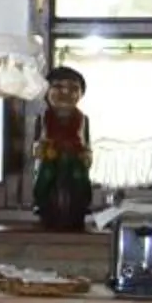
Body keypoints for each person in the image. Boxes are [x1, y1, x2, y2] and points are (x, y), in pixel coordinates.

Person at [32, 65, 93, 231]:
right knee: (46, 176)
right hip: (51, 156)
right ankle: (41, 203)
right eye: (58, 87)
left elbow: (86, 143)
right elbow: (37, 144)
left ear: (80, 93)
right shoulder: (43, 118)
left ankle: (82, 205)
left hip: (74, 157)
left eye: (73, 88)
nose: (65, 93)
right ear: (47, 92)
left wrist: (85, 155)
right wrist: (43, 150)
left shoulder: (83, 119)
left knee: (80, 179)